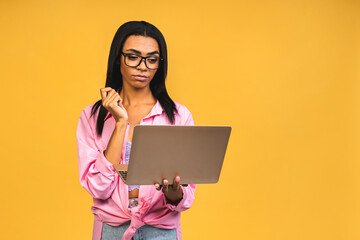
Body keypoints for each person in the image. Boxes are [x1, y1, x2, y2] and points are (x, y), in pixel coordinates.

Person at [76, 21, 196, 240]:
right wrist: (120, 123)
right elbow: (99, 189)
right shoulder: (92, 117)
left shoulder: (179, 116)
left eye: (152, 60)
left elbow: (186, 197)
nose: (143, 66)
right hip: (112, 230)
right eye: (133, 57)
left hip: (161, 231)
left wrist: (173, 194)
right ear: (117, 59)